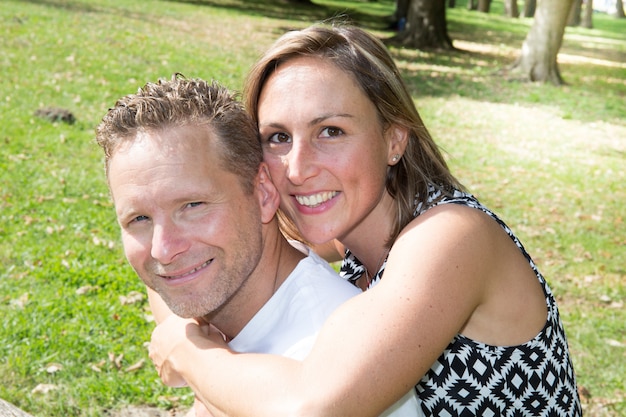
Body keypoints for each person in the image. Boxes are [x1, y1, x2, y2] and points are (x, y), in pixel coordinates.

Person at [148, 25, 582, 417]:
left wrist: (189, 350)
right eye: (278, 137)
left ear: (393, 139)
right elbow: (191, 257)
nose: (297, 169)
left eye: (330, 131)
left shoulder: (451, 237)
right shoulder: (350, 231)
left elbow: (314, 408)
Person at [95, 75, 420, 417]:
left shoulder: (330, 358)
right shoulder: (235, 296)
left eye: (192, 206)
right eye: (139, 220)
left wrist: (188, 350)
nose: (163, 250)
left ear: (264, 193)